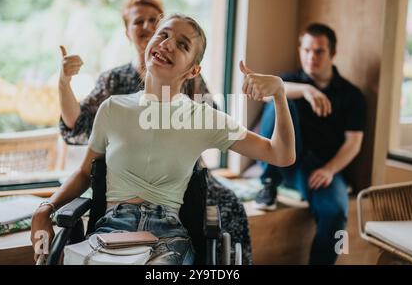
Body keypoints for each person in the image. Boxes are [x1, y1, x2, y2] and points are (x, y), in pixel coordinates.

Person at [32, 14, 296, 265]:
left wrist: (279, 95)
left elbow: (281, 154)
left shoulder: (202, 117)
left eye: (182, 44)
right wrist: (46, 208)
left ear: (194, 71)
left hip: (168, 238)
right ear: (150, 45)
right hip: (111, 233)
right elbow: (83, 173)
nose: (167, 44)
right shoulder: (112, 109)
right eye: (163, 35)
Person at [58, 0, 251, 263]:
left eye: (153, 20)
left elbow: (213, 123)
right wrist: (64, 83)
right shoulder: (114, 82)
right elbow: (77, 128)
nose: (147, 27)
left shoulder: (188, 77)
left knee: (229, 204)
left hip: (180, 172)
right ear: (127, 31)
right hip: (123, 179)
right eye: (139, 22)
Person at [255, 23, 366, 265]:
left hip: (320, 170)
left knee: (337, 214)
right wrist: (306, 90)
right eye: (306, 50)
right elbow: (265, 93)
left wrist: (330, 170)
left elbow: (354, 142)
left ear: (332, 54)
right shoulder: (288, 80)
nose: (311, 57)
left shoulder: (352, 95)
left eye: (318, 52)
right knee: (279, 98)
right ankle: (267, 182)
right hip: (285, 162)